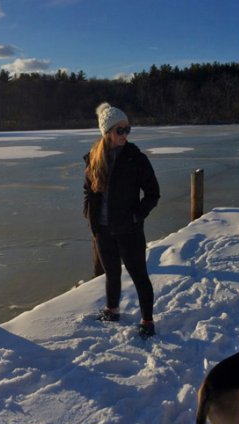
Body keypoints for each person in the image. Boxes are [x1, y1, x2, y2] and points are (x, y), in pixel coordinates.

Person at [83, 102, 160, 338]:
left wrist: (136, 216)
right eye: (120, 130)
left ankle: (147, 320)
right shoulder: (94, 158)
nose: (125, 134)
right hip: (103, 230)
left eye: (127, 129)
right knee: (112, 273)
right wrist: (92, 221)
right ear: (107, 132)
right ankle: (112, 309)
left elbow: (153, 193)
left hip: (129, 231)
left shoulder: (135, 158)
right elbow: (89, 192)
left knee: (139, 276)